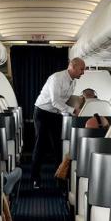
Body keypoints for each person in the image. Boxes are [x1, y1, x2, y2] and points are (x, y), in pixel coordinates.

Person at [30, 57, 85, 187]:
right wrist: (73, 111)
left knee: (58, 146)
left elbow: (63, 101)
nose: (83, 72)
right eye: (82, 69)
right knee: (41, 146)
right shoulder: (57, 78)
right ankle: (35, 178)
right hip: (42, 112)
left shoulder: (73, 82)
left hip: (55, 114)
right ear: (73, 66)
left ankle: (59, 177)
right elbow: (55, 101)